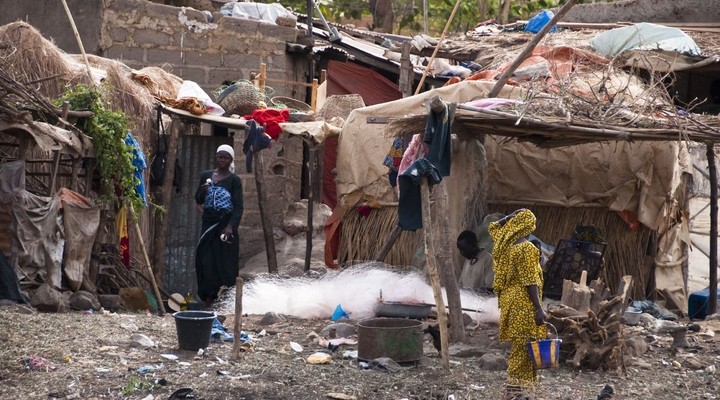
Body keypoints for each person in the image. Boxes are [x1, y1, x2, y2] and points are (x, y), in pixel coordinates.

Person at [488, 208, 547, 399]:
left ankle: (523, 391)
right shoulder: (527, 248)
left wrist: (509, 216)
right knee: (525, 348)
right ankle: (516, 391)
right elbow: (530, 281)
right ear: (528, 227)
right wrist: (538, 308)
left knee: (520, 347)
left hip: (509, 302)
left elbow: (493, 227)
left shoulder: (504, 246)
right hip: (524, 303)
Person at [194, 144, 243, 306]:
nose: (222, 160)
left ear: (230, 160)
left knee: (225, 262)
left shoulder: (234, 180)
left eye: (226, 157)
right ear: (216, 158)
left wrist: (230, 227)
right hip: (208, 223)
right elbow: (198, 199)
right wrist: (204, 190)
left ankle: (225, 300)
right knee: (206, 261)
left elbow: (238, 207)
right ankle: (208, 298)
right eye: (220, 157)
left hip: (225, 224)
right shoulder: (206, 176)